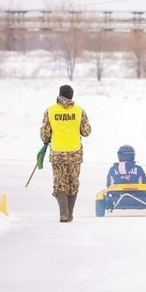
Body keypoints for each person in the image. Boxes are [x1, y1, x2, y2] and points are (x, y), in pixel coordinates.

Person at [40, 84, 92, 223]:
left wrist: (49, 137)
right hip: (75, 154)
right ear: (72, 96)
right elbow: (86, 132)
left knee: (60, 183)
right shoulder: (79, 111)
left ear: (59, 94)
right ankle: (70, 214)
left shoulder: (50, 111)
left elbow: (44, 134)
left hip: (57, 153)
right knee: (72, 183)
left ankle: (64, 214)